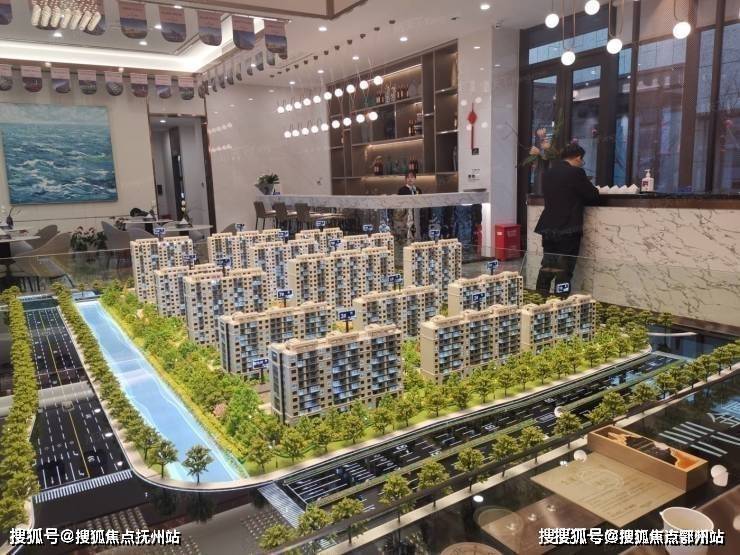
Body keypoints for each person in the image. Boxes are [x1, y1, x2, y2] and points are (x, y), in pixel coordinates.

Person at [534, 143, 599, 296]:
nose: (582, 164)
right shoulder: (576, 172)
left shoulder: (548, 173)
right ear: (578, 158)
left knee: (547, 267)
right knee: (564, 269)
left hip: (548, 227)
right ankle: (560, 302)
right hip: (568, 228)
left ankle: (538, 299)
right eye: (582, 160)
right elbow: (593, 196)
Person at [396, 171, 421, 242]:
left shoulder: (418, 190)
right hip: (405, 215)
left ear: (415, 179)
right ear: (405, 179)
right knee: (406, 230)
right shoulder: (401, 190)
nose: (410, 179)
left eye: (412, 177)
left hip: (416, 214)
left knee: (416, 229)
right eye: (408, 177)